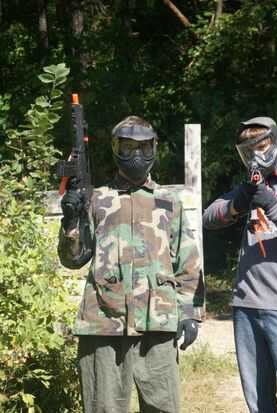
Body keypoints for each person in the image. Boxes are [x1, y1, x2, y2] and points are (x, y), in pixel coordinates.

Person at [58, 116, 205, 413]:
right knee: (103, 407)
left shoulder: (168, 202)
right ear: (116, 149)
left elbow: (187, 262)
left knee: (163, 406)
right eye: (128, 147)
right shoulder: (97, 200)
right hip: (104, 324)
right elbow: (73, 259)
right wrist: (71, 220)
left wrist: (190, 314)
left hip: (157, 324)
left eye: (144, 147)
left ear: (154, 149)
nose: (136, 155)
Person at [203, 116, 277, 413]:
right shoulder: (252, 185)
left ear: (276, 142)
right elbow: (208, 217)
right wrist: (238, 204)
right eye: (248, 150)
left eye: (261, 146)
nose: (255, 155)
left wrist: (272, 204)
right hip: (246, 304)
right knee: (258, 403)